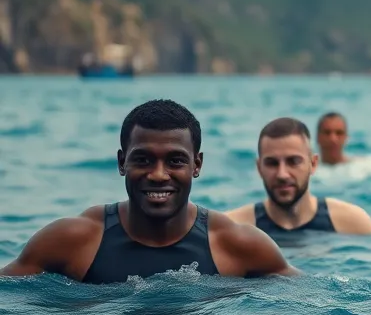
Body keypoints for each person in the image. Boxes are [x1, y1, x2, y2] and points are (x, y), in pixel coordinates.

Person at [1, 99, 297, 283]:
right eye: (143, 160)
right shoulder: (72, 241)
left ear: (197, 164)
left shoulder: (239, 246)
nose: (158, 175)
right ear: (121, 163)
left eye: (175, 160)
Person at [225, 117, 371, 236]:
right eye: (272, 163)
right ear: (259, 168)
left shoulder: (354, 223)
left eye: (293, 161)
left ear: (313, 163)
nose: (282, 174)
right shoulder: (232, 228)